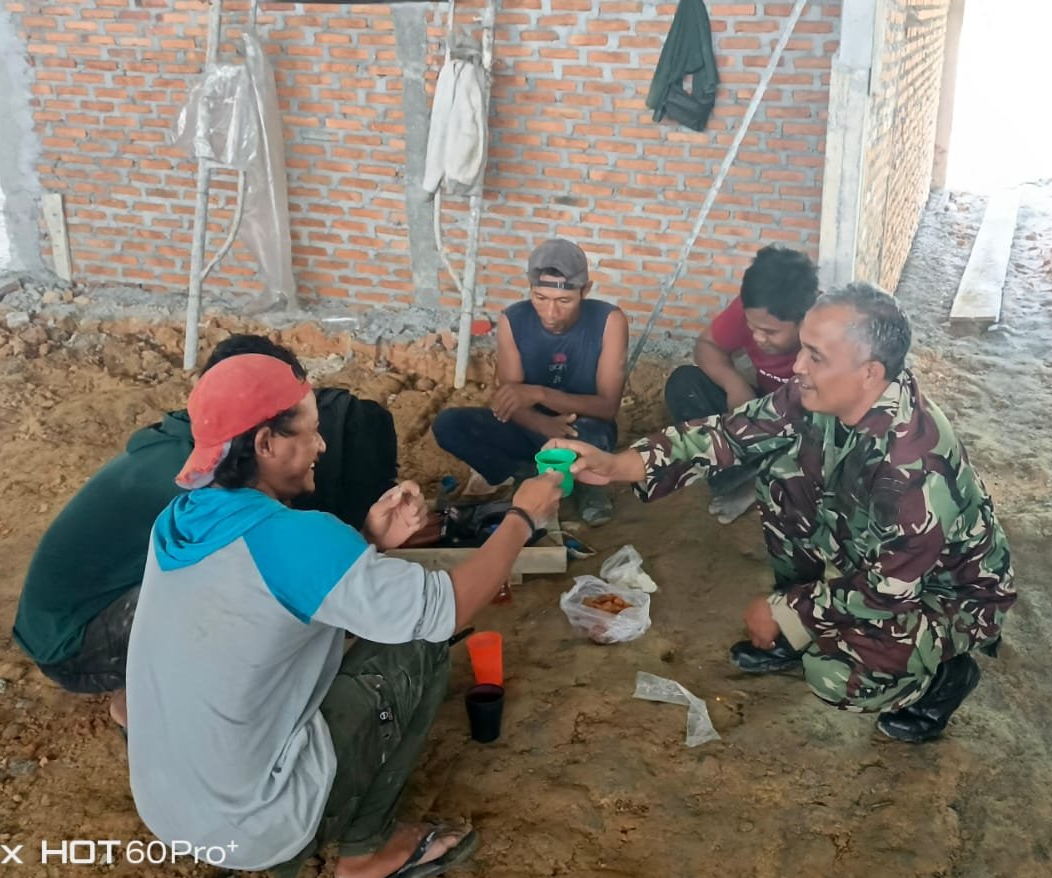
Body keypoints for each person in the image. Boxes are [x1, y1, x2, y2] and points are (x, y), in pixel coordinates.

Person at [124, 353, 564, 878]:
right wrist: (522, 516)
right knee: (418, 643)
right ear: (265, 443)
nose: (322, 446)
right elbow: (443, 609)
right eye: (310, 432)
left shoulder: (179, 522)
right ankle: (368, 851)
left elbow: (275, 600)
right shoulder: (295, 537)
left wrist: (367, 544)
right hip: (258, 823)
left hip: (169, 807)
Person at [547, 283, 1017, 743]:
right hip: (881, 561)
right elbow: (730, 434)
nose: (797, 366)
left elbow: (886, 592)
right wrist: (618, 465)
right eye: (803, 349)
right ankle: (801, 630)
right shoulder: (826, 393)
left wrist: (788, 610)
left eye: (816, 356)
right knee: (783, 474)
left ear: (870, 373)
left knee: (838, 676)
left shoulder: (913, 469)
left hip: (947, 594)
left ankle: (943, 681)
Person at [10, 335, 399, 728]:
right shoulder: (207, 485)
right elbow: (283, 576)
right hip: (71, 641)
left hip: (78, 611)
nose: (320, 444)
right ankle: (143, 704)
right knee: (245, 600)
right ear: (262, 435)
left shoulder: (204, 444)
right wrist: (366, 545)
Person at [431, 238, 627, 526]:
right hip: (529, 427)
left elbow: (607, 406)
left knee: (593, 438)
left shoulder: (609, 320)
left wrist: (539, 394)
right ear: (530, 288)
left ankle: (586, 486)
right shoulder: (513, 319)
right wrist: (543, 424)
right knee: (449, 425)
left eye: (564, 301)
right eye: (540, 298)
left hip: (581, 428)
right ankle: (522, 475)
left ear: (585, 290)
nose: (550, 313)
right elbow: (510, 398)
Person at [664, 245, 819, 524]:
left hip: (806, 423)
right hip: (763, 410)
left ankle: (762, 485)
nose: (758, 337)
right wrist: (734, 384)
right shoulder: (756, 311)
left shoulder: (828, 332)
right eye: (752, 326)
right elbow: (707, 345)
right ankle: (736, 476)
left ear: (804, 320)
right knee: (684, 384)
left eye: (770, 332)